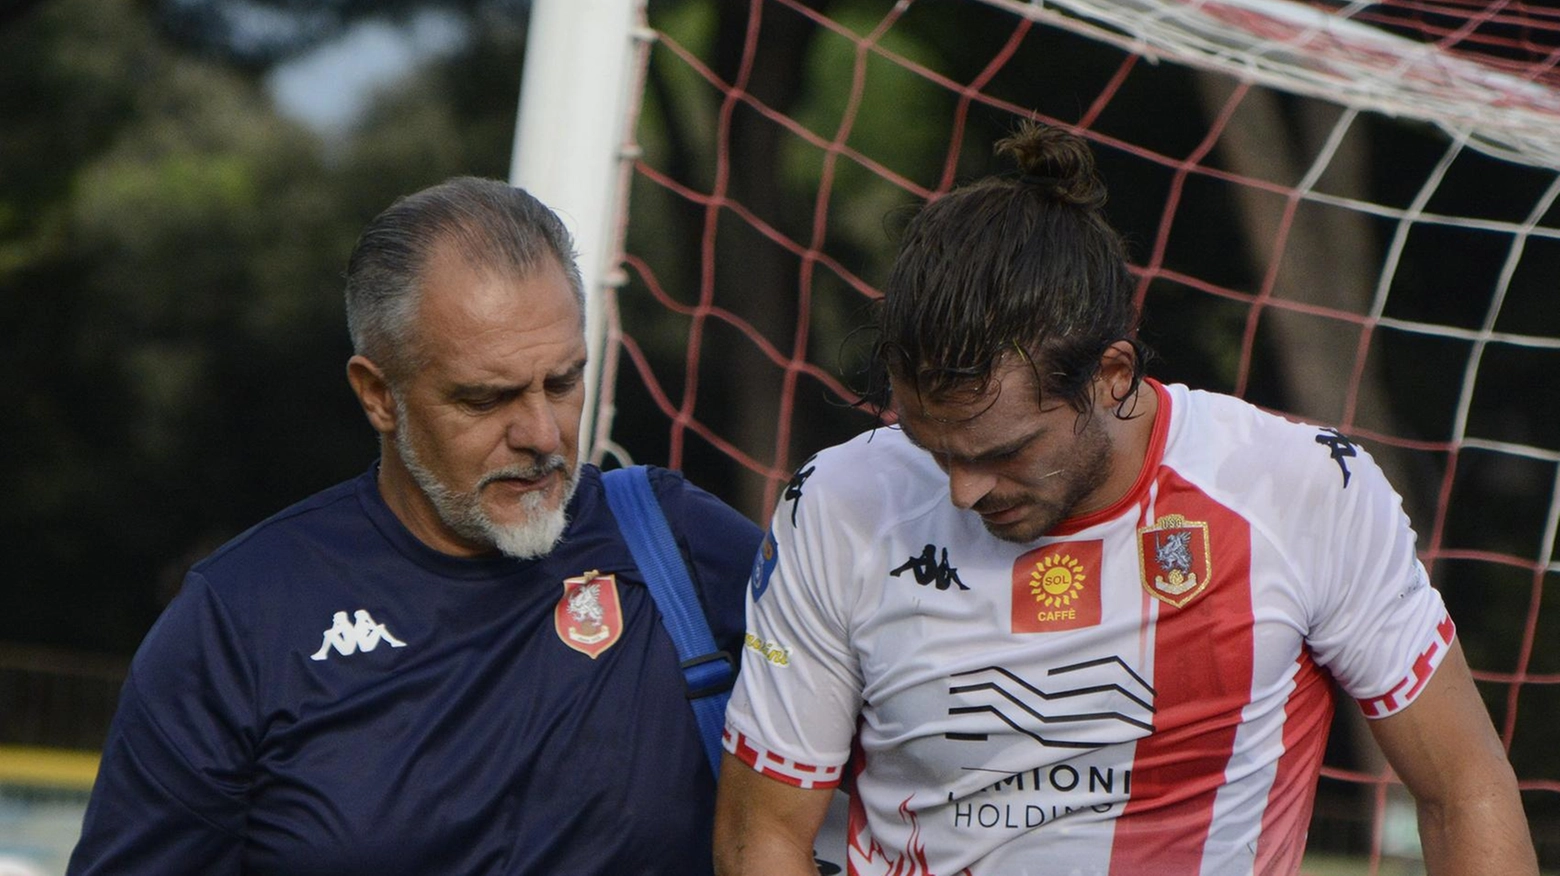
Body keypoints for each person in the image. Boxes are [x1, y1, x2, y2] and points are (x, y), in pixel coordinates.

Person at [712, 123, 1538, 876]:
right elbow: (766, 835)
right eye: (935, 452)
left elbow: (1464, 787)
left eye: (1003, 452)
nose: (964, 491)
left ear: (1111, 376)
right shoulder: (837, 503)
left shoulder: (1303, 491)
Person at [68, 177, 762, 875]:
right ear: (378, 396)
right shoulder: (243, 619)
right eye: (485, 398)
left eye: (562, 382)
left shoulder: (675, 543)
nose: (542, 433)